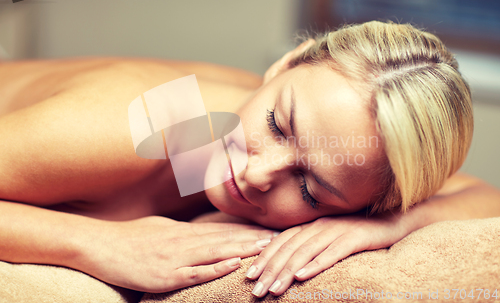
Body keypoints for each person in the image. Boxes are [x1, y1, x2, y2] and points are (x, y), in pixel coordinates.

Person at [0, 21, 499, 298]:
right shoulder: (138, 127)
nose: (255, 173)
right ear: (284, 64)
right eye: (277, 125)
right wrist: (96, 244)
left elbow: (484, 196)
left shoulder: (359, 155)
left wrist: (384, 227)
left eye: (309, 188)